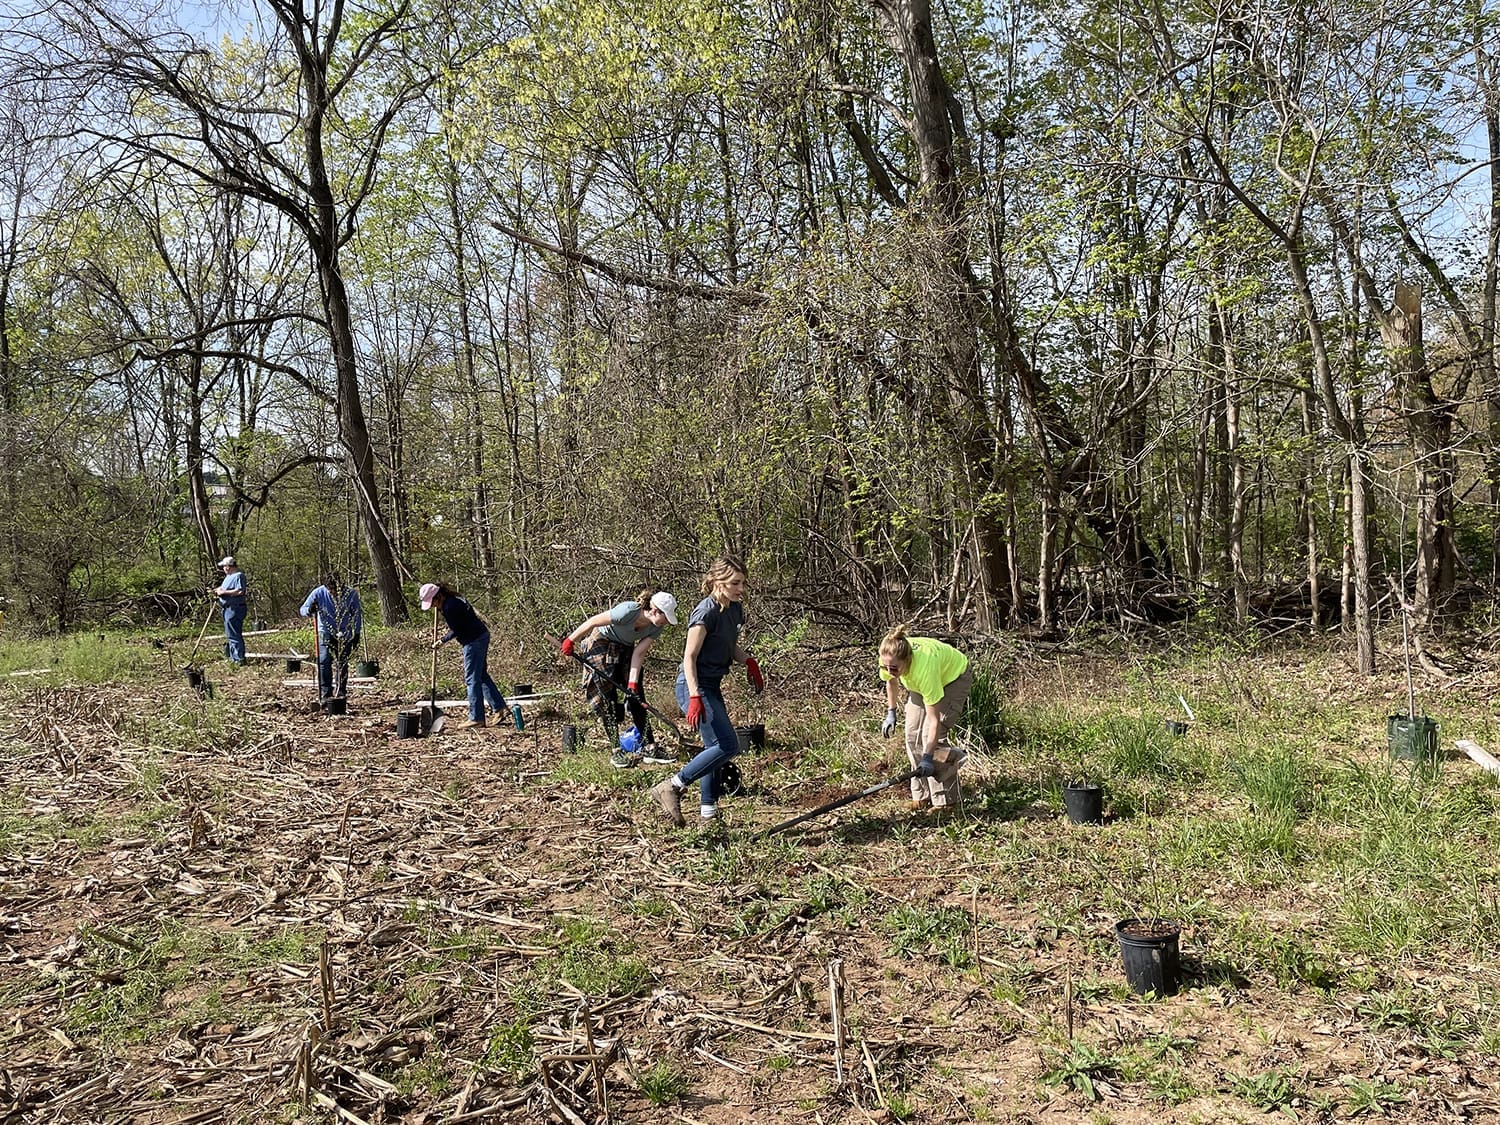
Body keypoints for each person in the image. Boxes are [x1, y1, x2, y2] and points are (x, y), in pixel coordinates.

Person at [650, 556, 764, 827]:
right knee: (727, 744)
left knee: (714, 748)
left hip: (712, 685)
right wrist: (694, 696)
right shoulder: (705, 612)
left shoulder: (735, 610)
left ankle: (708, 815)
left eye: (743, 583)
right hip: (694, 685)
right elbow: (689, 657)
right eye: (735, 583)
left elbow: (729, 646)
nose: (741, 589)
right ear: (717, 581)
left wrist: (749, 661)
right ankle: (671, 786)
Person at [561, 590, 679, 767]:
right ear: (655, 611)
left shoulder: (657, 626)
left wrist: (632, 684)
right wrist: (571, 640)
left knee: (636, 697)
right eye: (666, 617)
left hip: (625, 647)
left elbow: (638, 653)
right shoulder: (628, 611)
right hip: (601, 642)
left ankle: (650, 748)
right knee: (607, 696)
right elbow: (593, 621)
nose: (667, 622)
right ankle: (616, 750)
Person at [878, 624, 972, 812]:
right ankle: (922, 796)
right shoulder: (888, 655)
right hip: (920, 682)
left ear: (907, 660)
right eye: (885, 667)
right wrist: (891, 712)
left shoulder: (924, 669)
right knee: (912, 735)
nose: (889, 671)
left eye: (894, 668)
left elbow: (935, 722)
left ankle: (946, 801)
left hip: (953, 678)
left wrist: (928, 757)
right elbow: (891, 682)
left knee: (932, 738)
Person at [419, 581, 507, 729]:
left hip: (473, 641)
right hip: (481, 635)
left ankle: (476, 718)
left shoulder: (450, 607)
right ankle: (499, 707)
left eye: (433, 602)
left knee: (471, 679)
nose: (433, 606)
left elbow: (457, 630)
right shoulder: (453, 599)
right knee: (481, 675)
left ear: (438, 596)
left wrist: (442, 640)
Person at [300, 572, 363, 700]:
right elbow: (303, 609)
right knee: (324, 661)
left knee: (342, 662)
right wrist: (309, 610)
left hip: (344, 632)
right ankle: (326, 693)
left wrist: (356, 634)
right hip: (325, 631)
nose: (333, 592)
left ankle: (341, 692)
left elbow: (357, 615)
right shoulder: (318, 593)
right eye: (330, 589)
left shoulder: (351, 594)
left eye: (335, 589)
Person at [212, 556, 247, 665]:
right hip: (227, 609)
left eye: (224, 566)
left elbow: (240, 591)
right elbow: (226, 589)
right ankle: (233, 657)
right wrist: (219, 590)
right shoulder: (228, 577)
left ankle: (239, 659)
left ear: (228, 566)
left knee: (234, 634)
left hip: (235, 608)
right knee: (230, 634)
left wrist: (223, 592)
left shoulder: (239, 576)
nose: (223, 568)